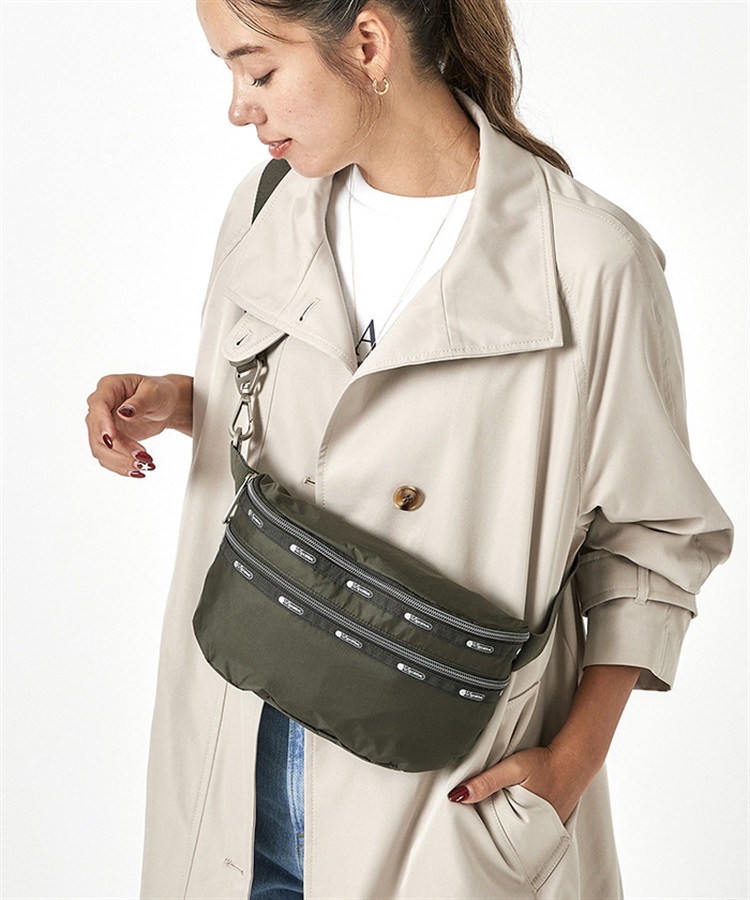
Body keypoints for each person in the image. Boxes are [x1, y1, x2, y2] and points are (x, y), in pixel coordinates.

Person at [85, 1, 733, 897]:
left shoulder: (588, 261)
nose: (238, 107)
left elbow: (653, 540)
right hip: (235, 768)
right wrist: (182, 400)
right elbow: (334, 440)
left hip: (445, 807)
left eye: (259, 70)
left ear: (367, 43)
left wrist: (570, 769)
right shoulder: (265, 207)